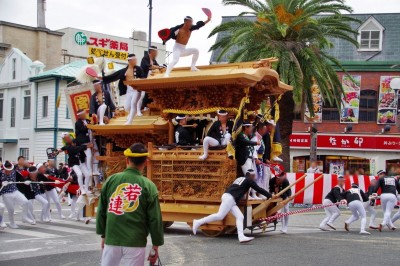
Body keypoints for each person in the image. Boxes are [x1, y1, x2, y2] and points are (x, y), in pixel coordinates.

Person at [97, 143, 164, 266]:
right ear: (145, 162)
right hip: (135, 241)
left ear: (127, 160)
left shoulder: (111, 180)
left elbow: (101, 210)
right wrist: (155, 246)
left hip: (111, 238)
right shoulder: (148, 186)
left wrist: (103, 235)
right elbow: (155, 219)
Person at [192, 169, 273, 243]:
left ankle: (241, 237)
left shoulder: (240, 178)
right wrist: (270, 195)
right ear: (251, 175)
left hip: (229, 197)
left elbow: (239, 189)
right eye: (254, 176)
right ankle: (198, 222)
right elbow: (258, 189)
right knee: (220, 216)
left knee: (240, 217)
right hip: (230, 198)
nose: (255, 177)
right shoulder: (249, 180)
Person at [102, 54, 145, 125]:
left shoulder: (139, 69)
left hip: (137, 89)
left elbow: (143, 78)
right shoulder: (124, 71)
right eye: (134, 59)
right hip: (129, 90)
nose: (136, 61)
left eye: (136, 59)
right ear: (130, 61)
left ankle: (130, 121)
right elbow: (114, 76)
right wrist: (102, 78)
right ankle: (131, 114)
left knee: (133, 103)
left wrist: (138, 81)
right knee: (127, 107)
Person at [0, 160, 34, 228]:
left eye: (10, 169)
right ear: (4, 168)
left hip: (15, 190)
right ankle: (12, 223)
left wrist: (25, 181)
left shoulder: (14, 172)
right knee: (11, 209)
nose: (9, 171)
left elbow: (21, 178)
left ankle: (24, 217)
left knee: (25, 202)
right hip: (5, 193)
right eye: (7, 169)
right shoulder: (0, 173)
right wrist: (1, 183)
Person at [75, 109, 100, 183]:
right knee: (89, 156)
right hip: (84, 142)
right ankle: (90, 171)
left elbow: (91, 122)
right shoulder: (78, 123)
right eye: (84, 114)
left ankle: (95, 169)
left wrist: (93, 118)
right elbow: (83, 129)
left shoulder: (87, 120)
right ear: (79, 115)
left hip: (92, 139)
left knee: (97, 154)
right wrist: (90, 125)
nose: (85, 115)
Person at [140, 45, 161, 111]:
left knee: (152, 93)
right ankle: (143, 107)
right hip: (145, 80)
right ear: (152, 51)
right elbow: (148, 66)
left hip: (152, 81)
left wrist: (158, 67)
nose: (157, 54)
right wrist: (155, 67)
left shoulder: (154, 60)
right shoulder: (145, 58)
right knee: (143, 94)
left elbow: (158, 67)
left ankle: (150, 106)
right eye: (156, 52)